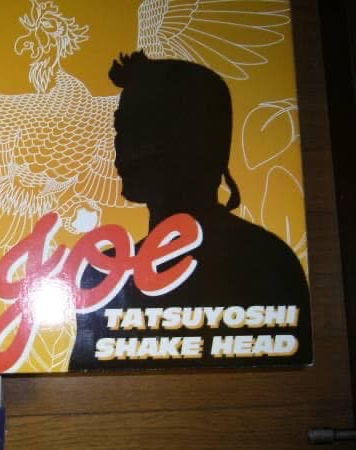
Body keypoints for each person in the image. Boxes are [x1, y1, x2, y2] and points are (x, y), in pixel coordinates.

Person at [69, 51, 312, 369]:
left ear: (194, 137)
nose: (121, 145)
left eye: (140, 128)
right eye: (120, 128)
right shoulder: (105, 275)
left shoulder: (266, 263)